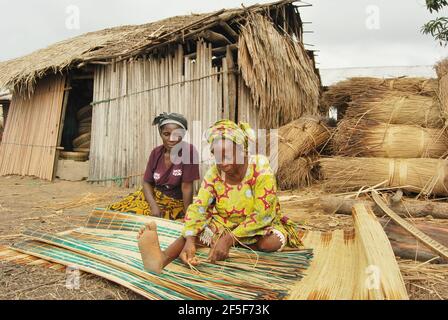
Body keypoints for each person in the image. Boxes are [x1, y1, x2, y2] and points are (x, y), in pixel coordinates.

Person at [137, 119, 302, 273]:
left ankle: (232, 243)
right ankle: (162, 259)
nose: (222, 162)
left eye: (228, 156)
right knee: (195, 234)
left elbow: (263, 214)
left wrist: (228, 239)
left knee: (269, 243)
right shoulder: (214, 173)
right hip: (225, 224)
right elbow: (199, 207)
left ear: (242, 150)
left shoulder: (260, 168)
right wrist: (189, 240)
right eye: (217, 157)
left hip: (259, 225)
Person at [108, 112, 200, 220]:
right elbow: (147, 182)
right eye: (166, 134)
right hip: (154, 197)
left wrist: (187, 215)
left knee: (143, 216)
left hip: (174, 202)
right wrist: (153, 205)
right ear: (160, 134)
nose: (171, 139)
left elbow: (187, 187)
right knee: (118, 211)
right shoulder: (156, 153)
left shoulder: (189, 152)